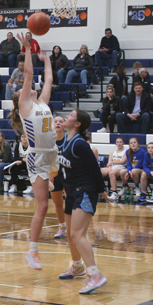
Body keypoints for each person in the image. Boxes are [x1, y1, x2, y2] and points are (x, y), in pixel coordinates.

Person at [9, 33, 58, 270]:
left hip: (53, 153)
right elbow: (28, 73)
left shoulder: (43, 103)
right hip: (38, 156)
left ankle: (66, 227)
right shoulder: (25, 106)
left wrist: (46, 59)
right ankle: (33, 251)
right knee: (43, 205)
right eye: (22, 89)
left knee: (63, 193)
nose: (27, 88)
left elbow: (48, 80)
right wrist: (27, 49)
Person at [57, 109, 111, 294]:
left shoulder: (80, 144)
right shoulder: (66, 142)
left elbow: (95, 169)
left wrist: (102, 191)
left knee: (78, 234)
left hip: (84, 192)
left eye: (70, 115)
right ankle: (78, 266)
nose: (66, 117)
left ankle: (95, 275)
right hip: (71, 193)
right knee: (72, 235)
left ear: (77, 123)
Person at [51, 116, 68, 238]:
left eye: (60, 121)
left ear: (64, 125)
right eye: (55, 121)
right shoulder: (50, 141)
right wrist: (48, 173)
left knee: (70, 202)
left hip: (68, 175)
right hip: (55, 175)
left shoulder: (69, 140)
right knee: (57, 203)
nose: (57, 123)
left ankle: (72, 227)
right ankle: (62, 227)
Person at [104, 136, 127, 201]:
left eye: (120, 142)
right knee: (99, 171)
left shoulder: (125, 152)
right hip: (112, 167)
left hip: (120, 167)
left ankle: (114, 192)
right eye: (117, 142)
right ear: (115, 143)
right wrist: (110, 167)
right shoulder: (112, 153)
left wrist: (112, 162)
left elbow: (122, 162)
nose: (119, 143)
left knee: (111, 173)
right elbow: (109, 163)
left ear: (123, 143)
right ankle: (103, 189)